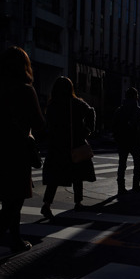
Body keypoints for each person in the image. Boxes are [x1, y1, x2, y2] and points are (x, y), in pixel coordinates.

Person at [0, 46, 44, 259]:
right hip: (15, 152)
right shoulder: (25, 89)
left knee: (10, 200)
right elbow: (39, 124)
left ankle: (15, 240)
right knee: (13, 203)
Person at [39, 76, 95, 217]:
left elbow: (47, 125)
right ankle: (78, 202)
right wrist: (87, 130)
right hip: (74, 142)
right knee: (77, 173)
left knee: (55, 177)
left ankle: (47, 203)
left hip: (57, 145)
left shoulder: (52, 105)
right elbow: (91, 112)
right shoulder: (76, 103)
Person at [112, 87, 140, 192]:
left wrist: (117, 138)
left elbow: (114, 126)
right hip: (135, 140)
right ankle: (136, 185)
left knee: (122, 164)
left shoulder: (119, 110)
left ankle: (121, 187)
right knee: (137, 164)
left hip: (122, 140)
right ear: (136, 97)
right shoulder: (139, 111)